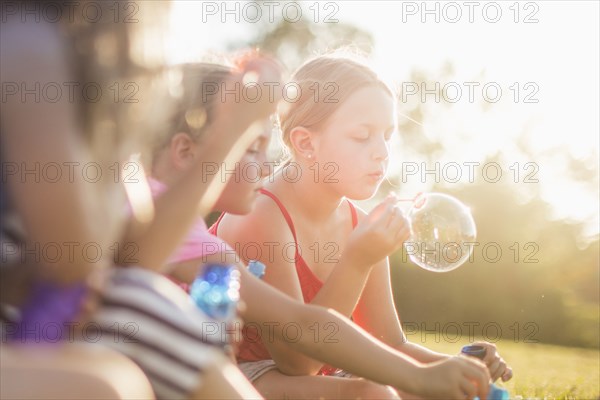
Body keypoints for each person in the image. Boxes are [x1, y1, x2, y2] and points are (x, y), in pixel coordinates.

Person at [150, 62, 494, 400]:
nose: (382, 153)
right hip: (252, 370)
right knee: (375, 393)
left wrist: (460, 370)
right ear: (305, 143)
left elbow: (390, 344)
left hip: (249, 371)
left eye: (388, 136)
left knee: (406, 389)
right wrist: (356, 261)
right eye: (362, 136)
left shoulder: (360, 223)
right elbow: (299, 358)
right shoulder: (256, 216)